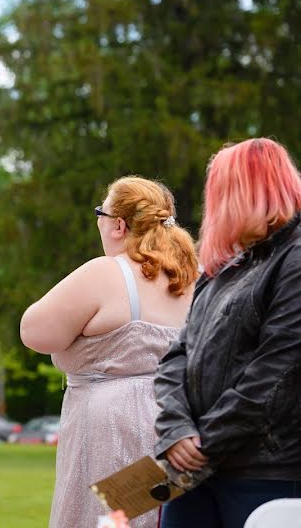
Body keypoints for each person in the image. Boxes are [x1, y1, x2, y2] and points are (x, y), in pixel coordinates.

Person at [20, 176, 199, 528]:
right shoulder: (191, 278)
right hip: (176, 424)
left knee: (107, 519)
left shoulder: (107, 272)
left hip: (111, 425)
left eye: (100, 214)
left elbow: (33, 331)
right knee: (154, 518)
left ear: (118, 224)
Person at [154, 138, 301, 528]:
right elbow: (175, 357)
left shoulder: (295, 258)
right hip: (196, 469)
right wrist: (176, 428)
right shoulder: (223, 267)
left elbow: (277, 369)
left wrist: (204, 442)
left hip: (265, 470)